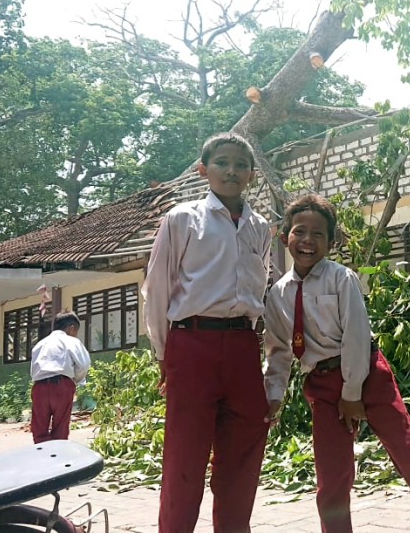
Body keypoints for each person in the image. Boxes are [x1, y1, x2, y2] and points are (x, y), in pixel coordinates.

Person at [263, 194, 410, 533]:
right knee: (332, 474)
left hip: (367, 375)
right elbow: (278, 350)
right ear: (284, 237)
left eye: (318, 234)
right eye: (300, 232)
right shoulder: (278, 293)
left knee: (408, 452)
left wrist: (352, 393)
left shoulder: (342, 279)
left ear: (331, 241)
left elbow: (355, 335)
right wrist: (273, 396)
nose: (308, 241)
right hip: (321, 386)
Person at [142, 132, 272, 533]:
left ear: (252, 175)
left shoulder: (260, 227)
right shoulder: (182, 219)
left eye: (240, 164)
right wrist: (164, 354)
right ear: (203, 170)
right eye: (222, 162)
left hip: (243, 346)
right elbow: (158, 287)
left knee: (243, 452)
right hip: (191, 343)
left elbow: (259, 284)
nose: (231, 170)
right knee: (185, 456)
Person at [29, 312, 90, 444]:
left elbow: (33, 369)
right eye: (76, 331)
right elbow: (84, 365)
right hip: (62, 385)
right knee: (61, 427)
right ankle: (58, 456)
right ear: (71, 328)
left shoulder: (40, 344)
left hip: (39, 387)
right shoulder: (72, 341)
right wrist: (76, 381)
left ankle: (42, 455)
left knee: (39, 428)